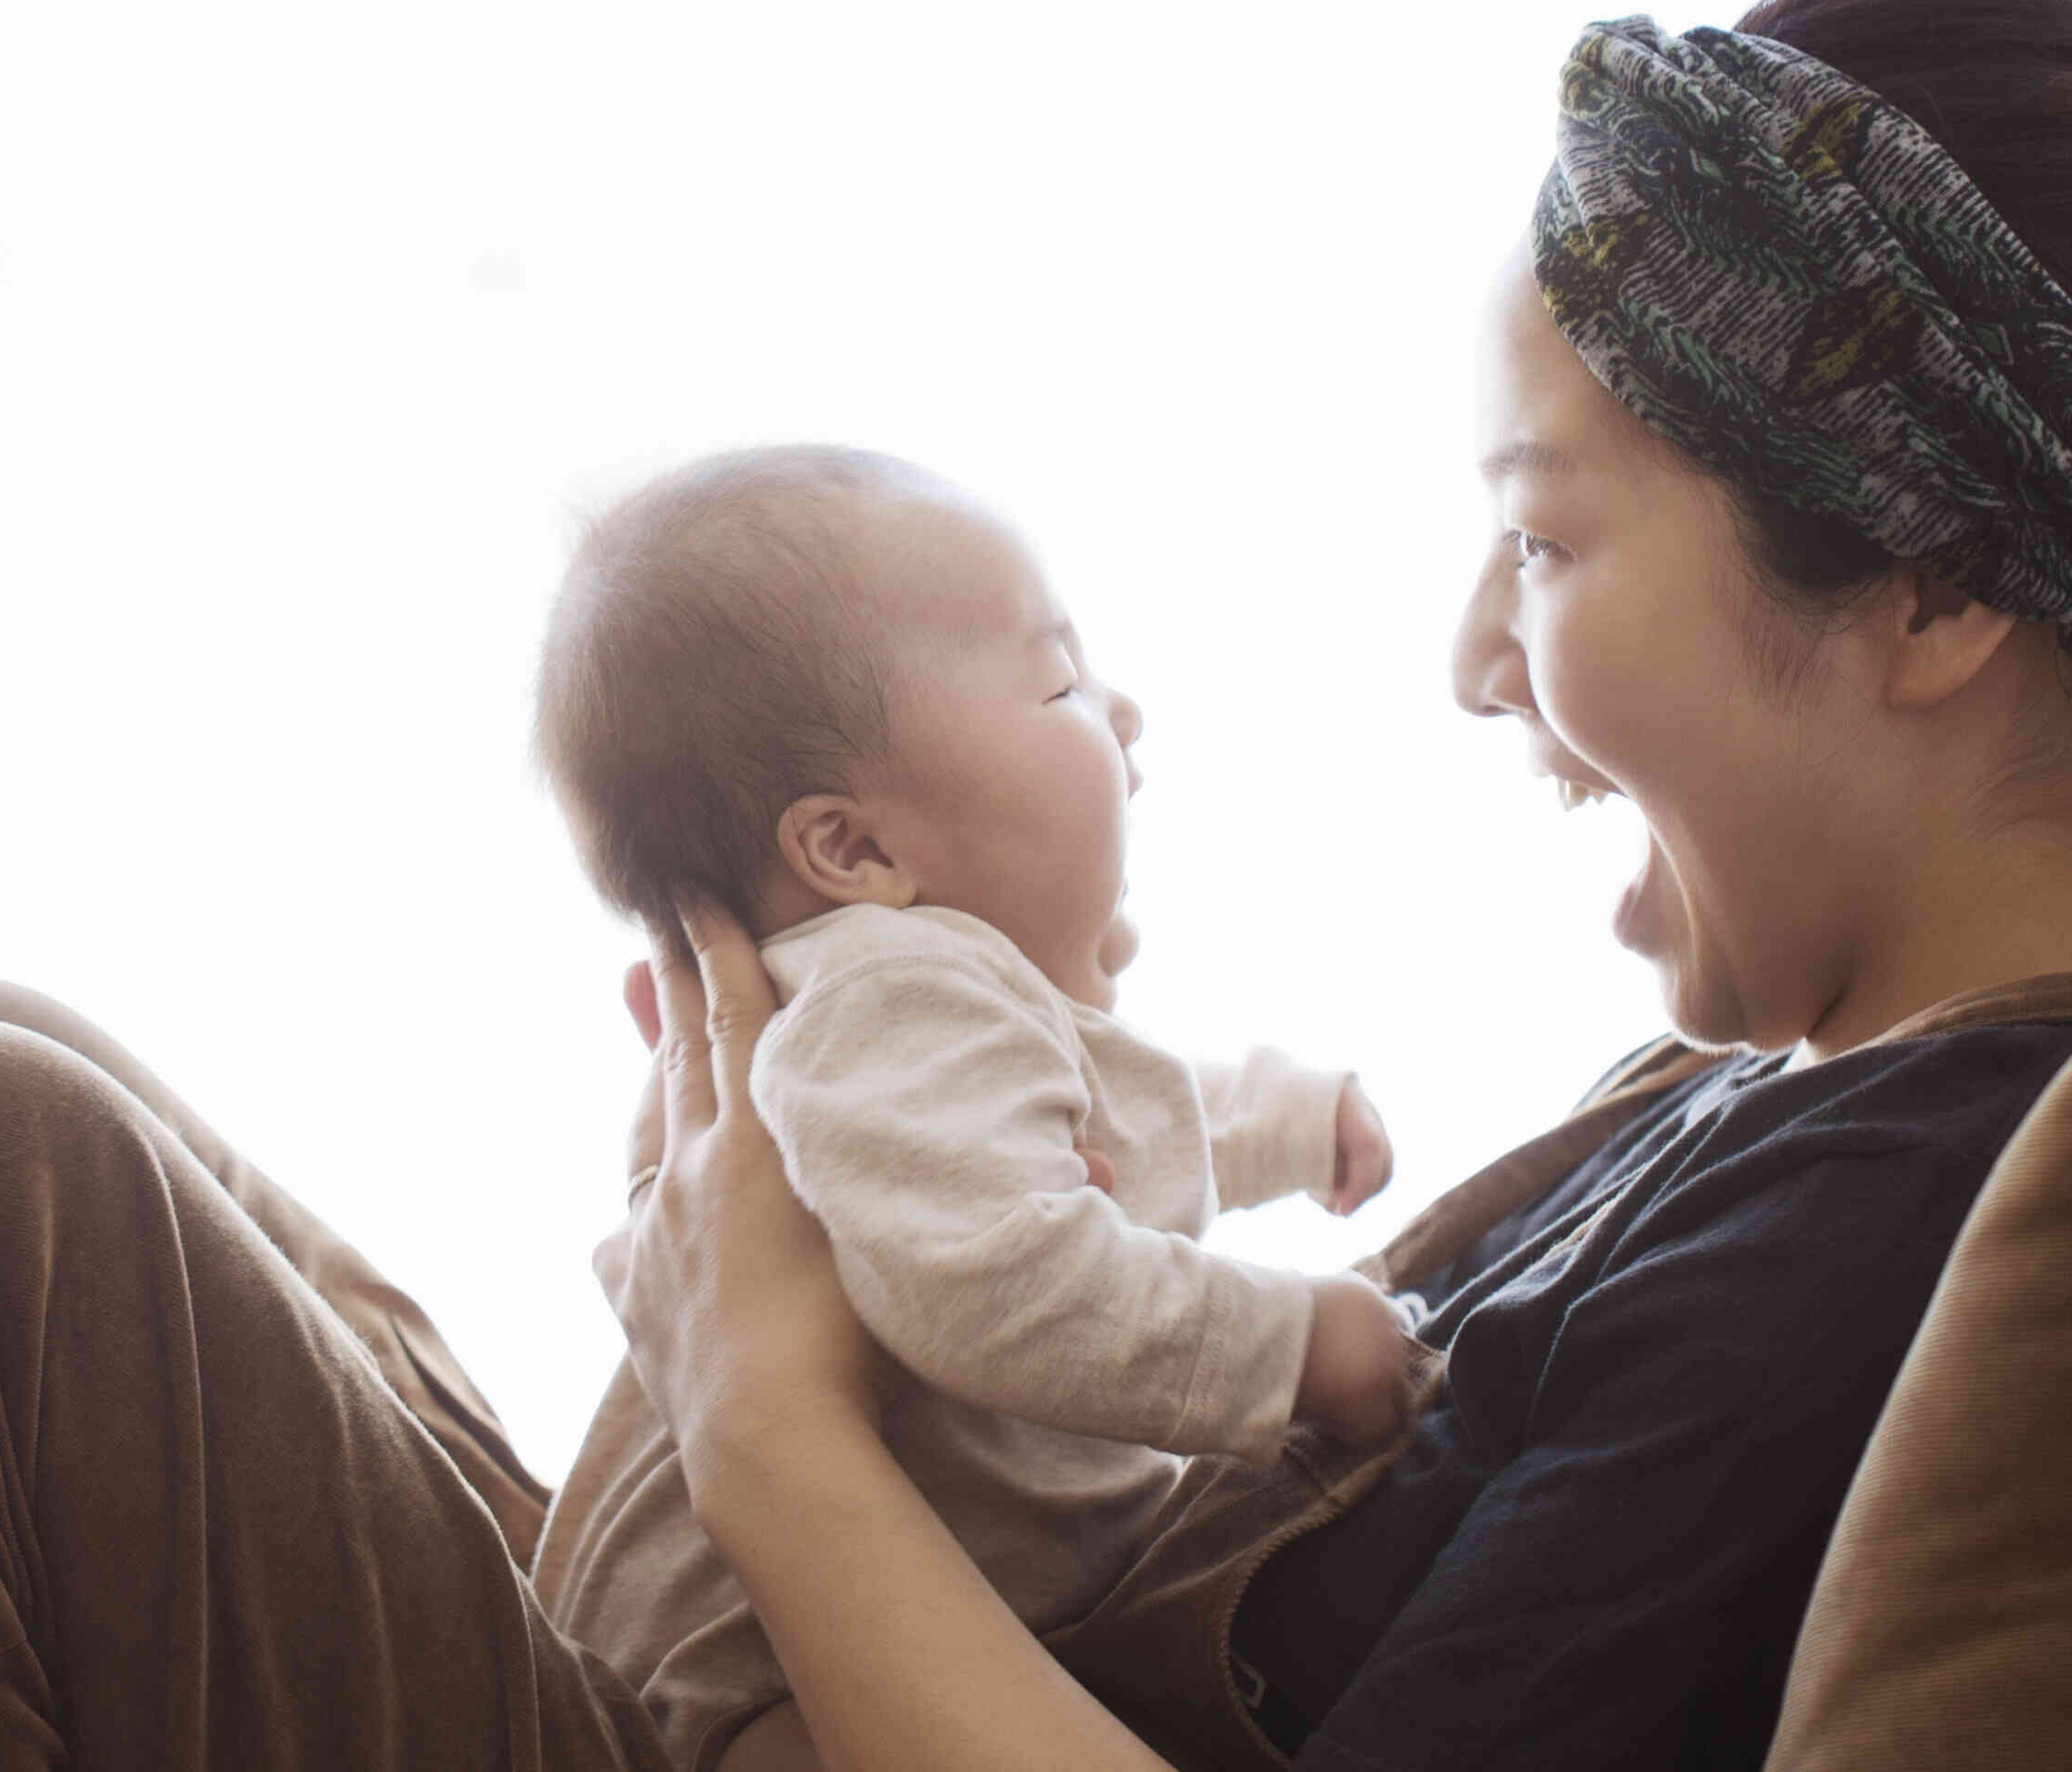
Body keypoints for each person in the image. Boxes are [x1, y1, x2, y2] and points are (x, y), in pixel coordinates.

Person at [0, 0, 2072, 1766]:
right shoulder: (1836, 1126)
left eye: (1548, 539)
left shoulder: (1961, 1218)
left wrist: (770, 1405)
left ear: (1940, 591)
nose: (1463, 660)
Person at [521, 443, 1417, 1767]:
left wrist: (1288, 1119)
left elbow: (1098, 1129)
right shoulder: (892, 995)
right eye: (1059, 683)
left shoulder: (901, 1002)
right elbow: (1004, 1279)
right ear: (856, 849)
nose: (1124, 711)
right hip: (743, 1687)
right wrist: (1290, 1346)